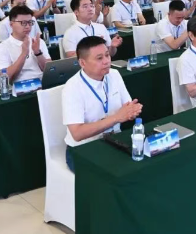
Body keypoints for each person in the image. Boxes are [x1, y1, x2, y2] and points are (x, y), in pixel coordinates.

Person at [61, 36, 143, 171]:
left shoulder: (114, 74)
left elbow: (127, 107)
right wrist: (116, 118)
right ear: (82, 63)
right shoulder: (72, 88)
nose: (106, 61)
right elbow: (77, 134)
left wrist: (132, 111)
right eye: (99, 58)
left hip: (114, 141)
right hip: (83, 150)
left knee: (141, 164)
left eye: (107, 55)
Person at [0, 5, 51, 83]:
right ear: (11, 24)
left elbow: (50, 71)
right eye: (23, 23)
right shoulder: (2, 48)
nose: (28, 26)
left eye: (30, 22)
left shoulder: (38, 42)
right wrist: (24, 54)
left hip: (42, 82)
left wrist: (38, 53)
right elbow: (7, 78)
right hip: (20, 86)